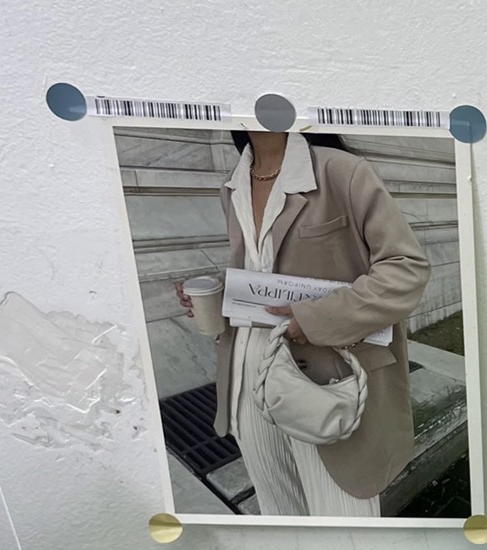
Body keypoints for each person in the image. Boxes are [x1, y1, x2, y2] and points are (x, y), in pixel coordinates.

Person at [181, 131, 429, 518]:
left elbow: (406, 270)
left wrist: (316, 318)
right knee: (282, 521)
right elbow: (264, 270)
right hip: (248, 381)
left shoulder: (342, 172)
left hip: (326, 383)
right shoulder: (233, 185)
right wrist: (221, 295)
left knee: (346, 531)